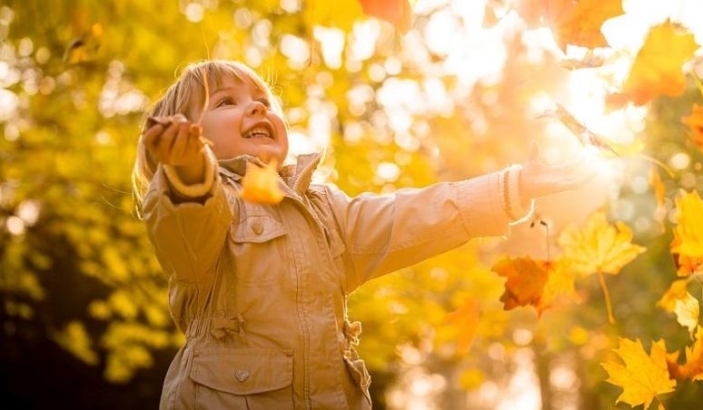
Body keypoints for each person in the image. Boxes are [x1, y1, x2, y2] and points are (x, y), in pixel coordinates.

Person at [132, 59, 596, 409]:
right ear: (188, 139)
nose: (256, 106)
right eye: (225, 102)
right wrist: (188, 172)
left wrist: (512, 186)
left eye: (263, 101)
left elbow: (411, 216)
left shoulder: (323, 209)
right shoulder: (206, 206)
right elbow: (184, 228)